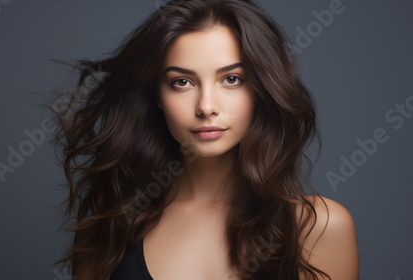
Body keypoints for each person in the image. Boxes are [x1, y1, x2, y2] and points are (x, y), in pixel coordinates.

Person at [48, 0, 359, 279]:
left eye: (231, 79)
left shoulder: (319, 229)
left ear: (261, 89)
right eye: (182, 82)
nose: (206, 106)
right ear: (157, 94)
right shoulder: (109, 231)